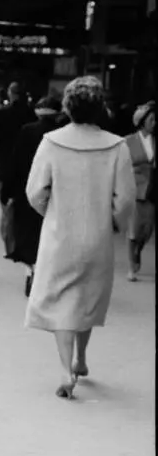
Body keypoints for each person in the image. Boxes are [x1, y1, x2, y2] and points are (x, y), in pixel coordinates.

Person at [24, 76, 135, 398]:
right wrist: (111, 220)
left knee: (62, 301)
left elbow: (35, 192)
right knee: (87, 297)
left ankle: (65, 369)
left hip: (60, 235)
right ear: (100, 107)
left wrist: (53, 213)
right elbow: (125, 199)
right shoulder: (117, 145)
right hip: (97, 237)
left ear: (67, 107)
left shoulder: (51, 142)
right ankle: (82, 359)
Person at [2, 95, 63, 296]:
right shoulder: (61, 135)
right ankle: (46, 274)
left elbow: (15, 162)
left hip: (26, 192)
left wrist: (7, 191)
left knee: (27, 235)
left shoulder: (27, 131)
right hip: (56, 193)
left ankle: (31, 271)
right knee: (49, 235)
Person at [0, 81, 36, 252]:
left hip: (5, 165)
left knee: (6, 204)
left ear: (10, 93)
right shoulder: (31, 114)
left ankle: (9, 242)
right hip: (28, 166)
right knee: (24, 203)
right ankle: (22, 240)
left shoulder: (2, 113)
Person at [125, 103, 155, 281]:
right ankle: (131, 267)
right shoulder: (128, 140)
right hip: (134, 188)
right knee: (133, 230)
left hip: (151, 189)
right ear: (142, 121)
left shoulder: (154, 140)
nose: (154, 122)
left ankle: (138, 250)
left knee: (148, 229)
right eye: (151, 119)